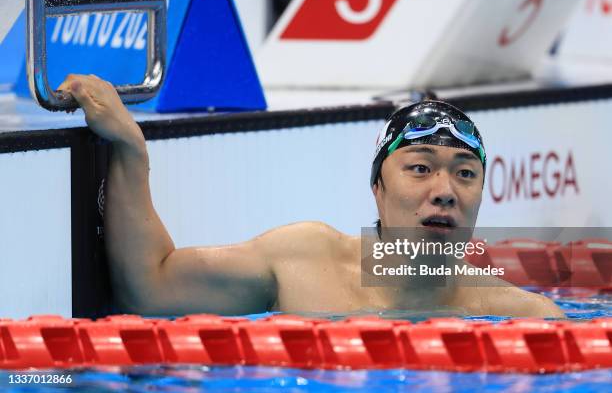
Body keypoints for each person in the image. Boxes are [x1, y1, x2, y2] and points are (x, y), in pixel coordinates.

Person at [57, 74, 564, 318]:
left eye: (465, 174)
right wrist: (130, 147)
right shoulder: (301, 261)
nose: (444, 191)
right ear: (378, 187)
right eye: (420, 168)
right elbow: (150, 289)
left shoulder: (523, 316)